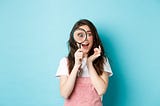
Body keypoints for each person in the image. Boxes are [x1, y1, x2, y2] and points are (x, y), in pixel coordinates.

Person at [56, 19, 113, 106]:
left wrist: (89, 63)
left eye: (89, 34)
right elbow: (65, 93)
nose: (85, 38)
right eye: (80, 35)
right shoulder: (65, 62)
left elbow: (101, 90)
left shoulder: (102, 61)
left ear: (94, 38)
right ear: (75, 40)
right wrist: (76, 66)